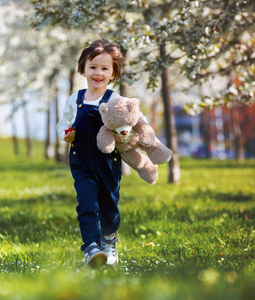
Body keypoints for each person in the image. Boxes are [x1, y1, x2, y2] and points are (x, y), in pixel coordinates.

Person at [56, 39, 146, 268]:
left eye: (105, 68)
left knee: (109, 205)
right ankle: (91, 248)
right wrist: (64, 134)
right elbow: (62, 123)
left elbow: (136, 119)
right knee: (86, 204)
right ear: (83, 68)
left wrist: (129, 136)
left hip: (107, 161)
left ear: (113, 72)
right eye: (93, 66)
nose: (98, 73)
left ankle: (108, 239)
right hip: (81, 160)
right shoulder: (75, 99)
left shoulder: (115, 100)